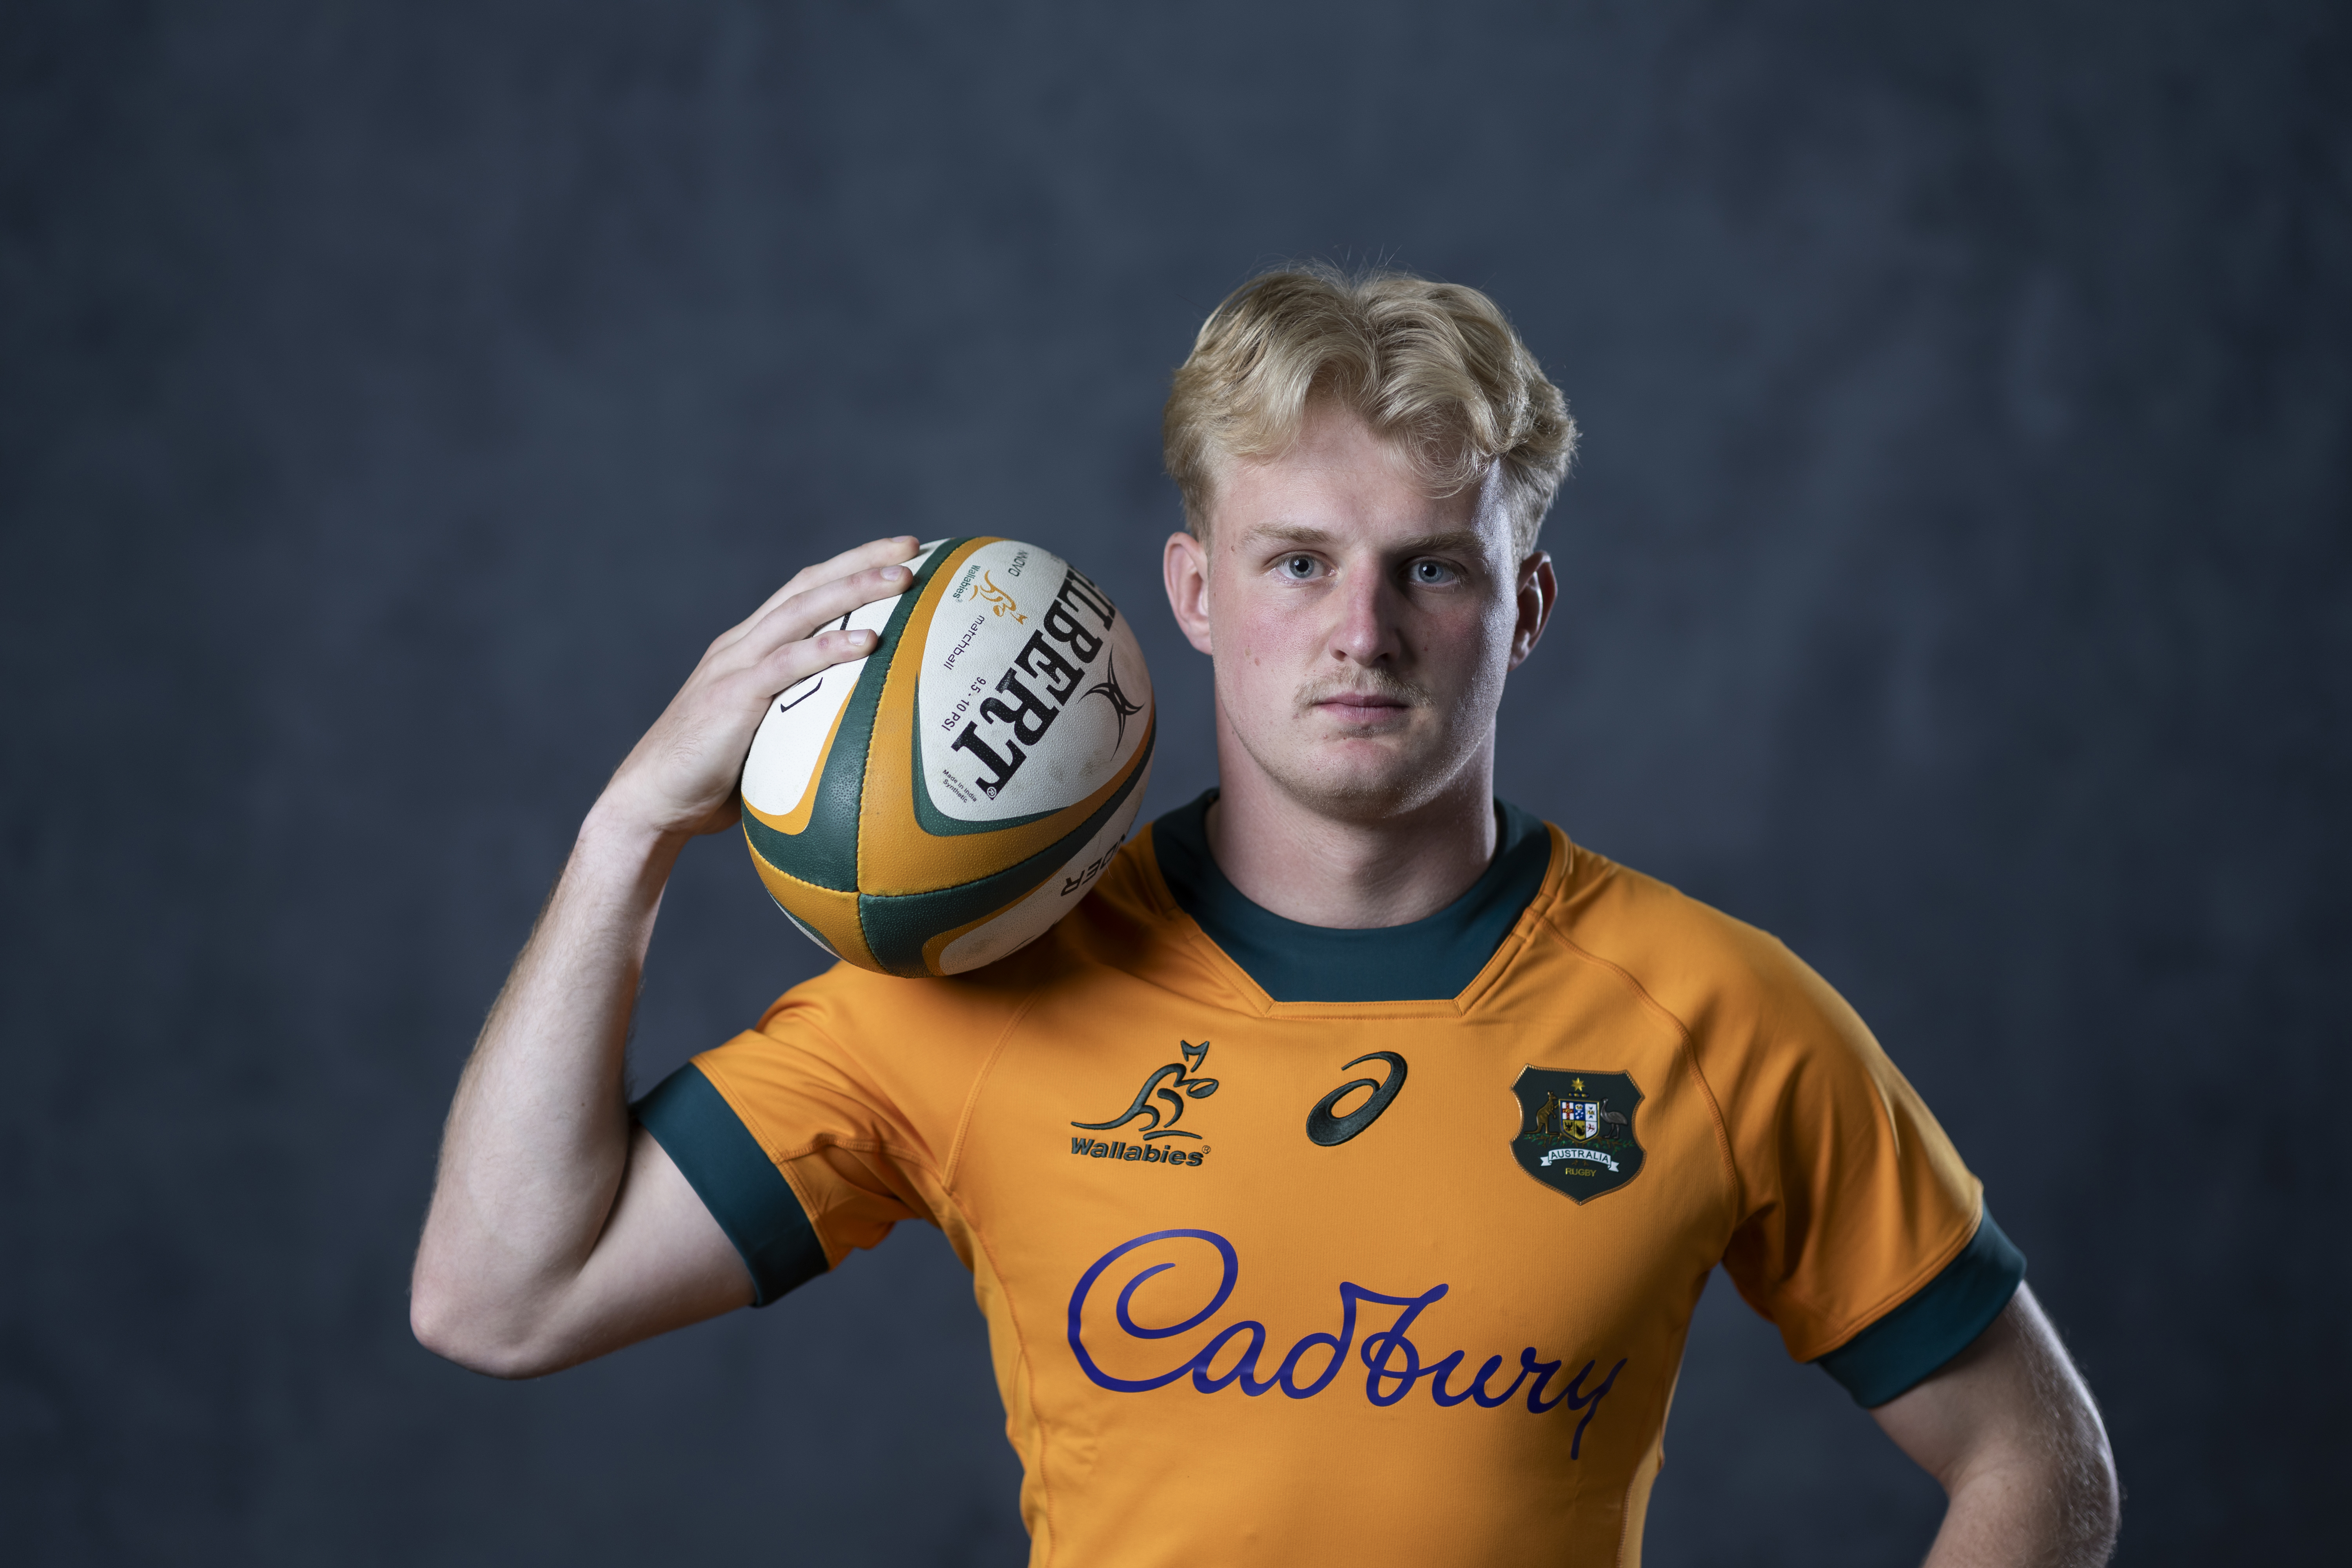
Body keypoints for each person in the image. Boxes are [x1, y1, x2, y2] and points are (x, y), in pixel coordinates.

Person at [411, 267, 2120, 1565]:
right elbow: (500, 1297)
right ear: (1196, 594)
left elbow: (2035, 1459)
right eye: (1298, 560)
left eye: (1431, 566)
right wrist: (629, 831)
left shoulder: (1713, 1013)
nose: (1361, 629)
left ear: (1522, 608)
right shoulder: (969, 992)